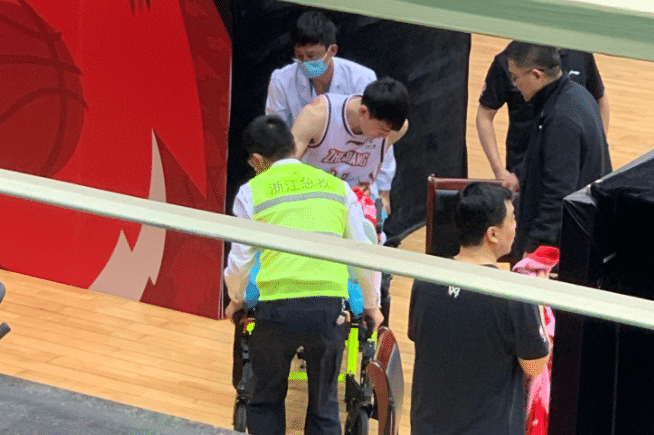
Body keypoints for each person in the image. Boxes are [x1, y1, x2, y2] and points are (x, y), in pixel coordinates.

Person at [224, 115, 384, 435]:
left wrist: (236, 300)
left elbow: (240, 261)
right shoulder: (337, 188)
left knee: (266, 400)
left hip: (276, 310)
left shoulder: (251, 192)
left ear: (257, 160)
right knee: (325, 405)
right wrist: (371, 305)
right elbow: (364, 253)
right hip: (327, 311)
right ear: (293, 146)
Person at [408, 182, 550, 435]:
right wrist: (538, 302)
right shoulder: (515, 293)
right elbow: (534, 365)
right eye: (512, 219)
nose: (516, 226)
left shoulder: (424, 281)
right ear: (492, 234)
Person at [266, 10, 396, 213]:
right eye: (299, 56)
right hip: (305, 176)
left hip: (353, 176)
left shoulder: (362, 79)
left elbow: (382, 137)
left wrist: (384, 190)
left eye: (311, 56)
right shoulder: (281, 81)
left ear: (332, 50)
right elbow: (276, 136)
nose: (304, 63)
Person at [505, 41, 612, 256]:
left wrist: (535, 248)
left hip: (562, 247)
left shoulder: (560, 120)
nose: (514, 85)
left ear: (536, 75)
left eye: (515, 77)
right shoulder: (577, 94)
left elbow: (558, 192)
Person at [476, 43, 610, 192]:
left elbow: (600, 99)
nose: (515, 83)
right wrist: (499, 171)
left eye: (516, 78)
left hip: (574, 167)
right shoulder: (510, 60)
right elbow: (485, 114)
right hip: (523, 170)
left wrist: (598, 148)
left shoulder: (580, 53)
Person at [292, 77, 409, 200]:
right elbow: (283, 167)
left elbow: (378, 166)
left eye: (390, 131)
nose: (385, 135)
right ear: (363, 112)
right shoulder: (318, 116)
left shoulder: (395, 130)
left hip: (357, 202)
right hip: (312, 197)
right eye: (383, 129)